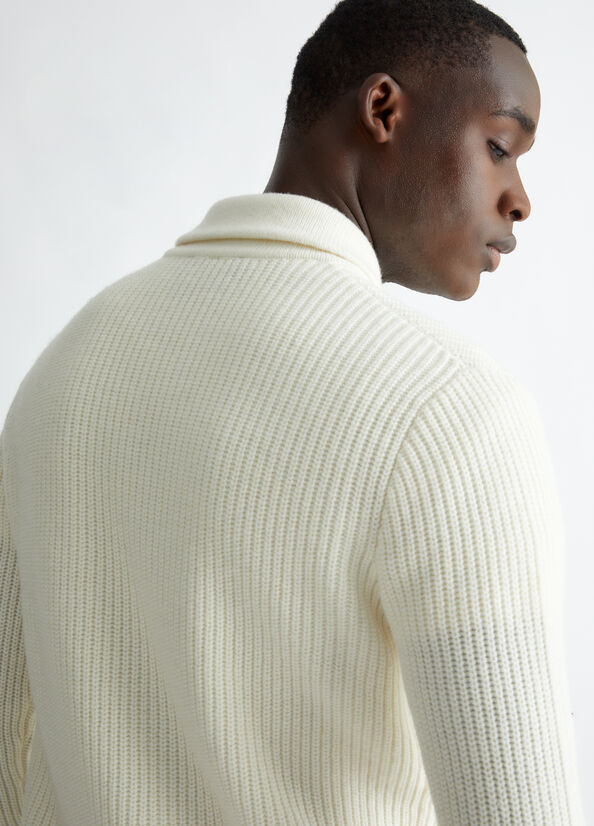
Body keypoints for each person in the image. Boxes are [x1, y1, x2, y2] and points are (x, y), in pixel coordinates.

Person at [0, 0, 586, 823]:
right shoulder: (451, 415)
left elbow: (11, 762)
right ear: (382, 109)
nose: (519, 199)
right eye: (499, 147)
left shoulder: (65, 370)